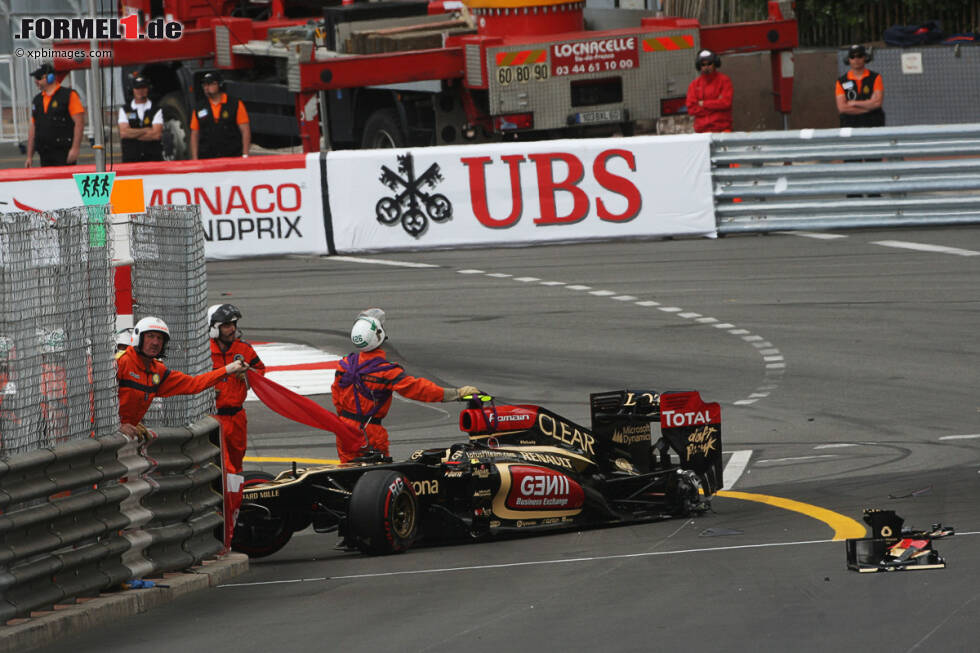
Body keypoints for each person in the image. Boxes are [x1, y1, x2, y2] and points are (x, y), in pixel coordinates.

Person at [331, 308, 479, 463]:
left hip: (344, 428)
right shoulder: (386, 371)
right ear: (379, 335)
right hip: (369, 431)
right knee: (378, 475)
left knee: (347, 471)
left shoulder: (345, 365)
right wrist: (455, 393)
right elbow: (418, 389)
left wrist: (346, 421)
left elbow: (336, 395)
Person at [116, 316, 247, 437]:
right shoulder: (121, 362)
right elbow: (99, 401)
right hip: (106, 431)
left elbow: (194, 384)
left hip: (125, 433)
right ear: (139, 338)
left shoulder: (158, 370)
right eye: (150, 336)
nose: (155, 342)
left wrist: (228, 369)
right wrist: (117, 425)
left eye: (160, 338)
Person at [208, 304, 265, 475]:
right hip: (213, 418)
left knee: (236, 466)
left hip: (238, 418)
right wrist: (207, 392)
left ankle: (236, 500)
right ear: (214, 328)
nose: (232, 329)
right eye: (226, 325)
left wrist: (248, 374)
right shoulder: (202, 352)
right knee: (224, 468)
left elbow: (260, 371)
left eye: (233, 324)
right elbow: (190, 381)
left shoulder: (244, 349)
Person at [24, 63, 86, 167]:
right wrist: (29, 156)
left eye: (39, 78)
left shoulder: (69, 95)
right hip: (44, 152)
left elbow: (79, 123)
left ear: (50, 78)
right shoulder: (37, 100)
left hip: (63, 151)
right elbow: (33, 127)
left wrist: (75, 148)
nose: (36, 81)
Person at [190, 72, 251, 160]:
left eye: (210, 84)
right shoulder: (199, 107)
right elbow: (194, 134)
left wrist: (245, 155)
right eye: (204, 85)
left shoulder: (235, 104)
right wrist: (195, 159)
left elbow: (245, 130)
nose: (206, 88)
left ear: (219, 84)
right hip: (207, 157)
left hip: (232, 156)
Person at [836, 44, 885, 128]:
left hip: (873, 123)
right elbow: (842, 108)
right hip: (850, 124)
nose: (856, 59)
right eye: (852, 56)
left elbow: (877, 103)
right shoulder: (841, 81)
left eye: (859, 56)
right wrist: (868, 107)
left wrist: (854, 103)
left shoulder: (875, 77)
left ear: (865, 58)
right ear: (848, 59)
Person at [685, 50, 733, 133]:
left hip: (723, 130)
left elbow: (726, 103)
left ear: (715, 64)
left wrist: (703, 104)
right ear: (699, 66)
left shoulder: (724, 81)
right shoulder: (694, 85)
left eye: (709, 63)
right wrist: (716, 105)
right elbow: (691, 109)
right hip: (702, 132)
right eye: (703, 65)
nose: (706, 67)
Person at [117, 75, 163, 162]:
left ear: (147, 89)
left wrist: (133, 134)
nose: (140, 91)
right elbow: (124, 133)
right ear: (133, 90)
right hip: (131, 159)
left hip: (152, 159)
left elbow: (156, 135)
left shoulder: (156, 109)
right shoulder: (124, 109)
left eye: (143, 88)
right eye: (137, 88)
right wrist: (146, 130)